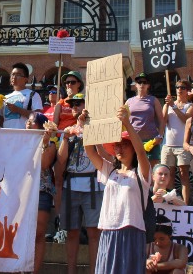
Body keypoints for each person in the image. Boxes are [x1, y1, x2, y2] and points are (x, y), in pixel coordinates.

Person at [83, 105, 151, 273]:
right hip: (108, 230)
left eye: (124, 145)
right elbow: (90, 151)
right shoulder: (110, 170)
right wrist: (87, 125)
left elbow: (141, 153)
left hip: (131, 230)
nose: (119, 149)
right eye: (117, 146)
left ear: (132, 148)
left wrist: (126, 122)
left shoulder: (141, 172)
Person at [54, 93, 102, 274]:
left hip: (93, 184)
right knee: (72, 232)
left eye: (78, 103)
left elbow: (105, 154)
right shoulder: (68, 130)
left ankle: (94, 271)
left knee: (93, 232)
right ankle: (71, 270)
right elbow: (60, 162)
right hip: (71, 184)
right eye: (72, 104)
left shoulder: (97, 128)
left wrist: (88, 127)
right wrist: (65, 139)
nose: (74, 106)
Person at [27, 112, 57, 273]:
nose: (28, 124)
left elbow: (45, 164)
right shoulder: (18, 140)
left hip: (41, 191)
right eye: (28, 121)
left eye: (32, 122)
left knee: (38, 234)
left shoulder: (51, 144)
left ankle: (34, 271)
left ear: (41, 125)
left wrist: (44, 143)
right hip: (22, 191)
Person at [161, 79, 193, 203]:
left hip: (182, 145)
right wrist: (166, 106)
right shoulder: (168, 105)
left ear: (187, 91)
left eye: (183, 87)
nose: (179, 89)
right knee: (167, 174)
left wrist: (174, 107)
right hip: (168, 144)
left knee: (183, 174)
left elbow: (186, 119)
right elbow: (163, 121)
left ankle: (185, 204)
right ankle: (169, 201)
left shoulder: (190, 106)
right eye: (177, 87)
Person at [126, 72, 164, 168]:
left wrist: (160, 135)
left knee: (152, 171)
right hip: (133, 141)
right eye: (139, 82)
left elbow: (161, 120)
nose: (142, 84)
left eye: (145, 82)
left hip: (151, 141)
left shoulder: (153, 100)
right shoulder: (129, 101)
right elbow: (123, 120)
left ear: (148, 85)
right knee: (134, 169)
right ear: (135, 85)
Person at [2, 63, 43, 129]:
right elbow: (1, 117)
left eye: (18, 75)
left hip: (24, 134)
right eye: (12, 74)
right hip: (6, 134)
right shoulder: (5, 97)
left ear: (26, 79)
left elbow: (38, 116)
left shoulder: (33, 95)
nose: (14, 77)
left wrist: (18, 110)